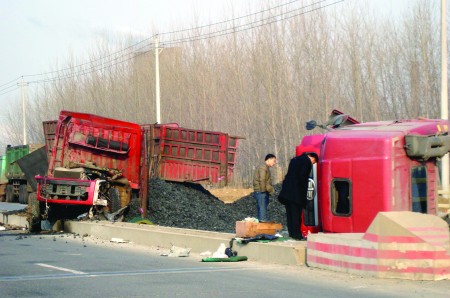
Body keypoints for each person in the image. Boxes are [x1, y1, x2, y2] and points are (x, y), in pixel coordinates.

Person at [278, 152, 318, 240]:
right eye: (313, 162)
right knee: (296, 215)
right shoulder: (306, 162)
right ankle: (297, 235)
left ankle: (291, 233)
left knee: (290, 214)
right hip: (296, 194)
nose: (312, 163)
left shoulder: (294, 160)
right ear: (312, 158)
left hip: (287, 193)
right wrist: (304, 193)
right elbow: (302, 178)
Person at [252, 153, 277, 222]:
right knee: (262, 208)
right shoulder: (263, 168)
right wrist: (263, 191)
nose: (274, 163)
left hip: (261, 191)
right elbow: (262, 179)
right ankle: (262, 225)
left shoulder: (265, 167)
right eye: (274, 161)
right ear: (269, 160)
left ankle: (261, 224)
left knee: (261, 208)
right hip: (261, 191)